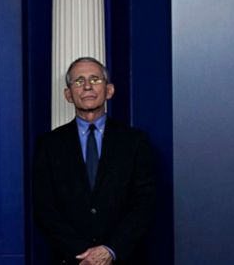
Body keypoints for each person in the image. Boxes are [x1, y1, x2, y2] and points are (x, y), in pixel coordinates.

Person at [33, 57, 156, 264]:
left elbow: (145, 203)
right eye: (79, 81)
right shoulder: (48, 145)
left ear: (109, 90)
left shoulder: (135, 141)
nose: (88, 86)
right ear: (68, 94)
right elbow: (44, 207)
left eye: (95, 79)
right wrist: (83, 254)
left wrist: (110, 250)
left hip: (123, 258)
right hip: (71, 259)